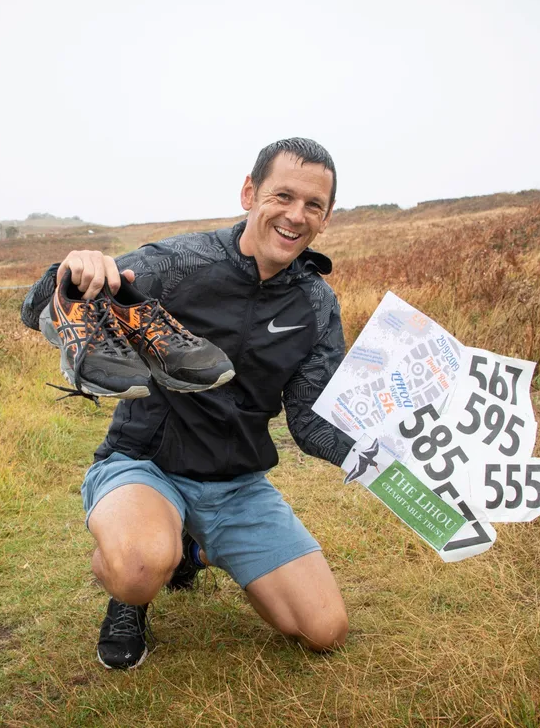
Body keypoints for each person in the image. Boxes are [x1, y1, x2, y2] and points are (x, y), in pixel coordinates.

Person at [20, 137, 356, 669]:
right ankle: (134, 590)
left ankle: (194, 550)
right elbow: (36, 309)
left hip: (238, 486)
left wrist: (384, 457)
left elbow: (311, 422)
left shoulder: (316, 303)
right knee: (139, 567)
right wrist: (71, 270)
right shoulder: (178, 264)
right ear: (250, 193)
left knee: (323, 629)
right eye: (282, 196)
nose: (296, 216)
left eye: (313, 205)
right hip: (146, 465)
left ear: (327, 217)